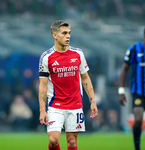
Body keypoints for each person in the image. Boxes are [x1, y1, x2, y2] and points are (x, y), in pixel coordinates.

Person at [38, 20, 98, 150]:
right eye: (64, 33)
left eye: (69, 33)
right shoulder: (46, 57)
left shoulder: (78, 54)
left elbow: (85, 78)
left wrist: (92, 101)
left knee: (72, 143)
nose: (68, 36)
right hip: (55, 105)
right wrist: (42, 110)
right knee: (53, 140)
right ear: (54, 35)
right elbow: (42, 86)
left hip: (75, 104)